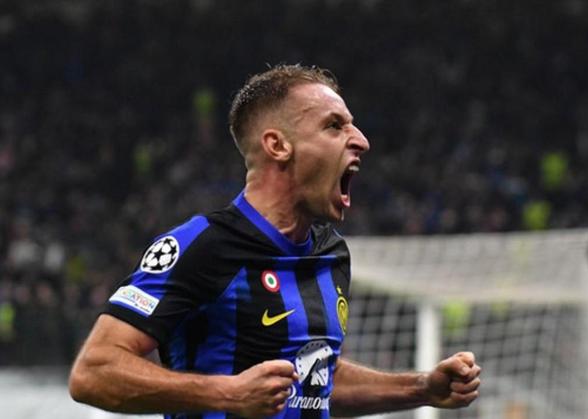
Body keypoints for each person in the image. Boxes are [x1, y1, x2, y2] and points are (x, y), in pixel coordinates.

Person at [68, 64, 480, 419]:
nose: (361, 140)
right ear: (278, 146)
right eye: (334, 125)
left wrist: (421, 388)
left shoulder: (331, 254)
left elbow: (315, 380)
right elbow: (94, 372)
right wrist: (227, 393)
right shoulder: (204, 246)